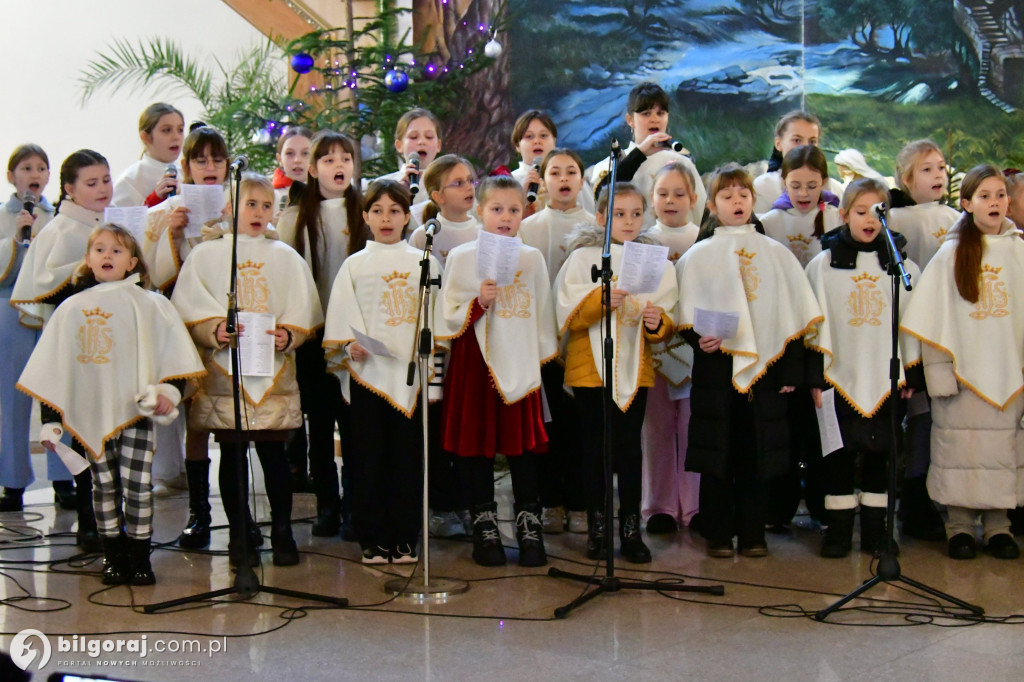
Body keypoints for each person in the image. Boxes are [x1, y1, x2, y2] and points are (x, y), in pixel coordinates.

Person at [17, 224, 203, 584]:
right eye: (99, 249)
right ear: (87, 259)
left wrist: (168, 394)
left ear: (132, 261)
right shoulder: (71, 309)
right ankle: (113, 555)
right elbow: (53, 370)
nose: (107, 256)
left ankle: (139, 556)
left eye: (117, 251)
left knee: (137, 485)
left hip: (136, 415)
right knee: (103, 486)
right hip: (90, 414)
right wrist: (51, 420)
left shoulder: (152, 305)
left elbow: (175, 359)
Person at [171, 174, 323, 566]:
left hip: (272, 371)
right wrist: (212, 329)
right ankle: (239, 533)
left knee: (274, 457)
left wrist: (289, 335)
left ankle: (283, 532)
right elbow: (189, 306)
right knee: (233, 454)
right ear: (228, 208)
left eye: (266, 205)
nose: (258, 212)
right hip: (226, 370)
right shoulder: (206, 256)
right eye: (249, 204)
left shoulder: (286, 255)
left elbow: (303, 307)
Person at [676, 164, 821, 558]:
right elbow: (683, 315)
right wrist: (698, 338)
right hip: (716, 369)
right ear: (710, 205)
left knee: (757, 455)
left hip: (767, 373)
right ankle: (719, 534)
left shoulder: (776, 254)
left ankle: (754, 534)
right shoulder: (698, 255)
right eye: (727, 196)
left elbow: (794, 317)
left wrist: (790, 370)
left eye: (743, 195)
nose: (736, 201)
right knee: (718, 455)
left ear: (753, 201)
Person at [901, 164, 1023, 560]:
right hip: (962, 375)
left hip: (1010, 371)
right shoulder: (952, 254)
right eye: (985, 196)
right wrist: (938, 372)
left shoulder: (1020, 251)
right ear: (967, 203)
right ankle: (958, 525)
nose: (995, 203)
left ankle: (999, 525)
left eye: (1001, 195)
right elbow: (931, 322)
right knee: (961, 450)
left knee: (1002, 450)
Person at [435, 175, 558, 567]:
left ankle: (528, 525)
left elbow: (541, 314)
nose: (505, 218)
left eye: (514, 210)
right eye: (497, 209)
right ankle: (484, 526)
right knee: (477, 448)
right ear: (480, 211)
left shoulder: (531, 258)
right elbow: (448, 313)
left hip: (519, 359)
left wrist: (537, 359)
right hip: (475, 364)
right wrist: (478, 302)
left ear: (524, 213)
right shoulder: (462, 257)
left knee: (523, 449)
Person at [555, 182, 677, 563]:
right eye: (619, 214)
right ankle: (598, 529)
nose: (628, 221)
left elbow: (666, 317)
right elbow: (565, 312)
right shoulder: (582, 258)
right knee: (594, 450)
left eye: (636, 214)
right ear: (601, 216)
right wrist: (600, 301)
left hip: (633, 367)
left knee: (628, 450)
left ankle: (630, 530)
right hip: (590, 368)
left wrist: (659, 321)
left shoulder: (653, 259)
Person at [323, 179, 441, 563]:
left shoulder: (424, 261)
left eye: (394, 211)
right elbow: (342, 316)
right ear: (365, 217)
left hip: (411, 377)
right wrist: (347, 345)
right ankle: (372, 537)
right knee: (368, 460)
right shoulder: (354, 265)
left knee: (408, 460)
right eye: (377, 211)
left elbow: (435, 320)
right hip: (367, 375)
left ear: (408, 217)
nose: (386, 218)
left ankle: (405, 536)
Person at [804, 178, 922, 557]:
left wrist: (911, 374)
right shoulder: (823, 265)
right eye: (861, 212)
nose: (870, 220)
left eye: (878, 212)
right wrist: (814, 378)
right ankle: (837, 532)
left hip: (887, 378)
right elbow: (811, 326)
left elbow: (912, 323)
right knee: (837, 456)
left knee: (881, 455)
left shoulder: (901, 266)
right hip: (837, 378)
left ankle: (876, 531)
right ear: (844, 216)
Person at [10, 149, 113, 551]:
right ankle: (88, 520)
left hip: (106, 348)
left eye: (105, 180)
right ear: (69, 189)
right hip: (72, 351)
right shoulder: (60, 229)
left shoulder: (107, 224)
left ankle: (108, 519)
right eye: (92, 183)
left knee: (104, 434)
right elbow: (44, 284)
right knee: (77, 435)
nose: (102, 189)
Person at [276, 131, 365, 539]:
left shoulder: (366, 212)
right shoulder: (294, 218)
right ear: (312, 170)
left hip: (356, 339)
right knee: (319, 426)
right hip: (313, 338)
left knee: (354, 426)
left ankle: (355, 506)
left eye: (346, 158)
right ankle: (327, 504)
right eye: (328, 160)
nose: (339, 166)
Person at [887, 139, 961, 541]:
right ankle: (913, 504)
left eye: (942, 167)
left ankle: (945, 502)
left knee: (941, 419)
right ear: (906, 177)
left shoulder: (955, 217)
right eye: (928, 168)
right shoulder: (894, 218)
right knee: (917, 418)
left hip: (947, 332)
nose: (939, 174)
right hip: (910, 332)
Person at [519, 148, 594, 534]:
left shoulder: (597, 227)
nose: (563, 179)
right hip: (542, 342)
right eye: (554, 172)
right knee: (547, 426)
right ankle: (550, 502)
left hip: (584, 340)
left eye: (571, 172)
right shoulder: (528, 227)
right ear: (543, 181)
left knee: (581, 426)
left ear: (582, 180)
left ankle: (581, 502)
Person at [0, 144, 76, 513]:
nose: (34, 174)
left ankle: (64, 479)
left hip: (50, 313)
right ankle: (13, 482)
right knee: (13, 402)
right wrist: (15, 239)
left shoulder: (59, 217)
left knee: (56, 399)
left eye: (41, 168)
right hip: (9, 312)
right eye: (26, 167)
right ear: (11, 175)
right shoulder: (5, 216)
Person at [641, 162, 701, 534]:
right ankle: (658, 505)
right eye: (663, 193)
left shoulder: (705, 238)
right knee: (657, 427)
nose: (671, 200)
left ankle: (694, 507)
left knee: (693, 425)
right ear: (651, 199)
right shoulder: (644, 241)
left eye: (679, 194)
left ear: (694, 199)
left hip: (695, 350)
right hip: (655, 349)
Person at [588, 82, 704, 227]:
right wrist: (639, 154)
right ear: (630, 120)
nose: (654, 119)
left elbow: (701, 213)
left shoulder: (682, 162)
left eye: (660, 113)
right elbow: (603, 200)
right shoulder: (611, 164)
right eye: (646, 114)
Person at [142, 124, 232, 292]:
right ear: (186, 167)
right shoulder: (169, 209)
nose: (211, 167)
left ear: (227, 166)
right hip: (185, 296)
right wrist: (174, 235)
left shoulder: (240, 203)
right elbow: (155, 275)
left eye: (218, 161)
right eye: (201, 162)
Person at [759, 145, 843, 267]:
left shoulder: (837, 220)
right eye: (795, 186)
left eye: (812, 186)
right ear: (784, 183)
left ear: (823, 183)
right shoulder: (768, 223)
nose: (803, 193)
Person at [752, 110, 844, 215]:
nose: (805, 147)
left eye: (812, 141)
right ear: (778, 144)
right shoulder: (763, 186)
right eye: (797, 140)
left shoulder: (834, 188)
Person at [407, 154, 480, 264]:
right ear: (438, 196)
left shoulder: (483, 232)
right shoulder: (423, 236)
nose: (469, 187)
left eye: (470, 180)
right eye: (459, 183)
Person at [112, 103, 184, 208]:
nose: (176, 137)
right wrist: (154, 200)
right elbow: (117, 222)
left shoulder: (186, 172)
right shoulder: (129, 181)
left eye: (180, 130)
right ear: (145, 137)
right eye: (167, 130)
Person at [509, 110, 558, 214]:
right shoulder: (509, 182)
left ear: (554, 141)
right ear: (517, 145)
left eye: (543, 135)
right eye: (529, 136)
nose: (537, 141)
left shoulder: (569, 177)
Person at [271, 125, 313, 214]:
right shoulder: (270, 196)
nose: (297, 160)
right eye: (290, 153)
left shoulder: (327, 192)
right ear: (279, 159)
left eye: (305, 153)